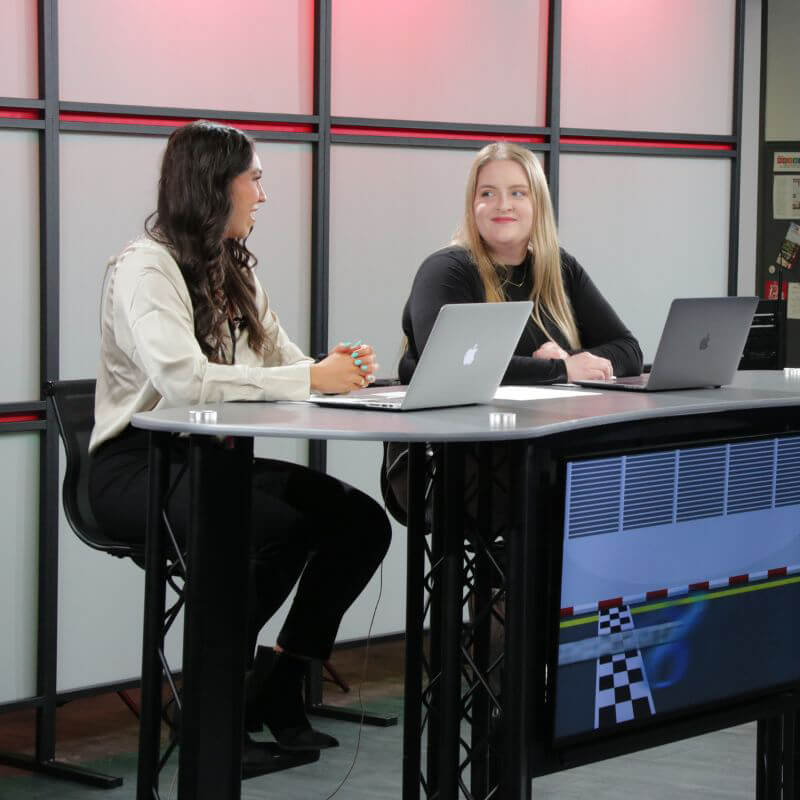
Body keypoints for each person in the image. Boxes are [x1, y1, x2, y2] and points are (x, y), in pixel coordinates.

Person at [88, 120, 392, 764]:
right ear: (213, 185)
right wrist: (307, 376)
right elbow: (182, 380)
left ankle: (275, 686)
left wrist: (336, 374)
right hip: (133, 468)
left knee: (360, 522)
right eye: (254, 178)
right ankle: (208, 718)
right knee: (267, 530)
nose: (262, 194)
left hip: (216, 461)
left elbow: (279, 361)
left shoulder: (233, 269)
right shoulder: (144, 267)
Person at [384, 141, 642, 520]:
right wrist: (559, 371)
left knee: (616, 474)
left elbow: (629, 350)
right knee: (574, 490)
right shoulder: (448, 269)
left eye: (517, 193)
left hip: (534, 451)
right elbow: (450, 365)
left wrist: (570, 361)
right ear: (473, 206)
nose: (503, 205)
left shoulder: (559, 268)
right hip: (448, 463)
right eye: (488, 193)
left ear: (537, 203)